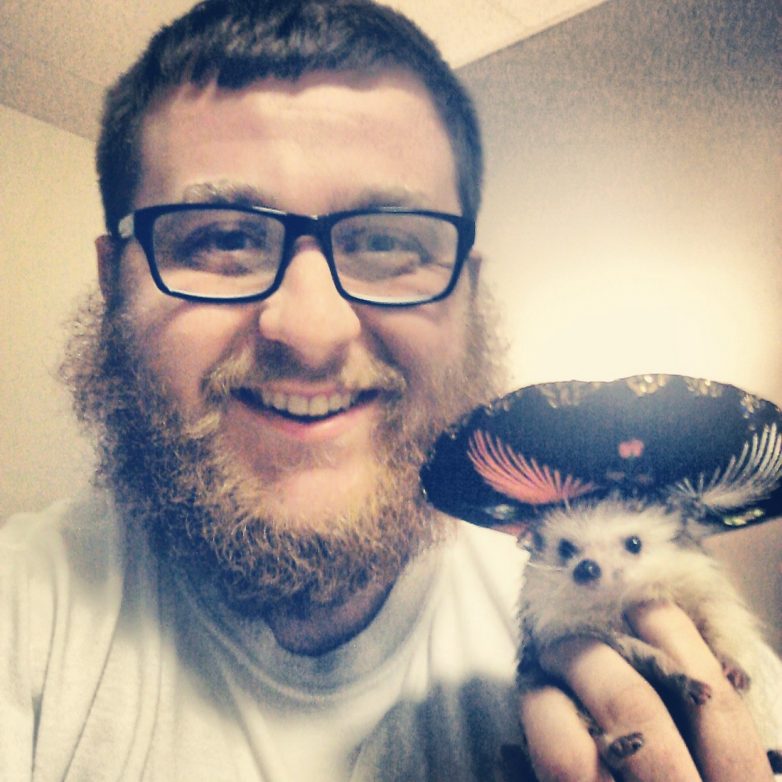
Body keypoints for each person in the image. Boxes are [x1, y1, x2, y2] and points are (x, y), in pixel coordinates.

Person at [1, 1, 779, 779]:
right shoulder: (22, 612)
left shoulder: (629, 607)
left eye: (387, 241)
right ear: (113, 282)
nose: (312, 330)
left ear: (466, 294)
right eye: (223, 238)